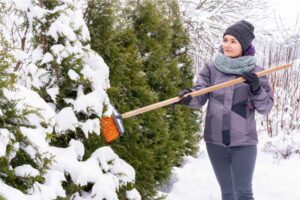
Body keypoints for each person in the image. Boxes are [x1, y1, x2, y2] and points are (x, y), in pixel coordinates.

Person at [177, 20, 274, 200]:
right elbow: (200, 94)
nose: (227, 45)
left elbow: (265, 108)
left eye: (233, 41)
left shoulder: (256, 73)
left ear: (244, 45)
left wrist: (256, 88)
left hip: (243, 142)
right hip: (215, 141)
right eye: (225, 40)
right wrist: (189, 97)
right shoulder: (212, 68)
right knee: (228, 193)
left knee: (243, 193)